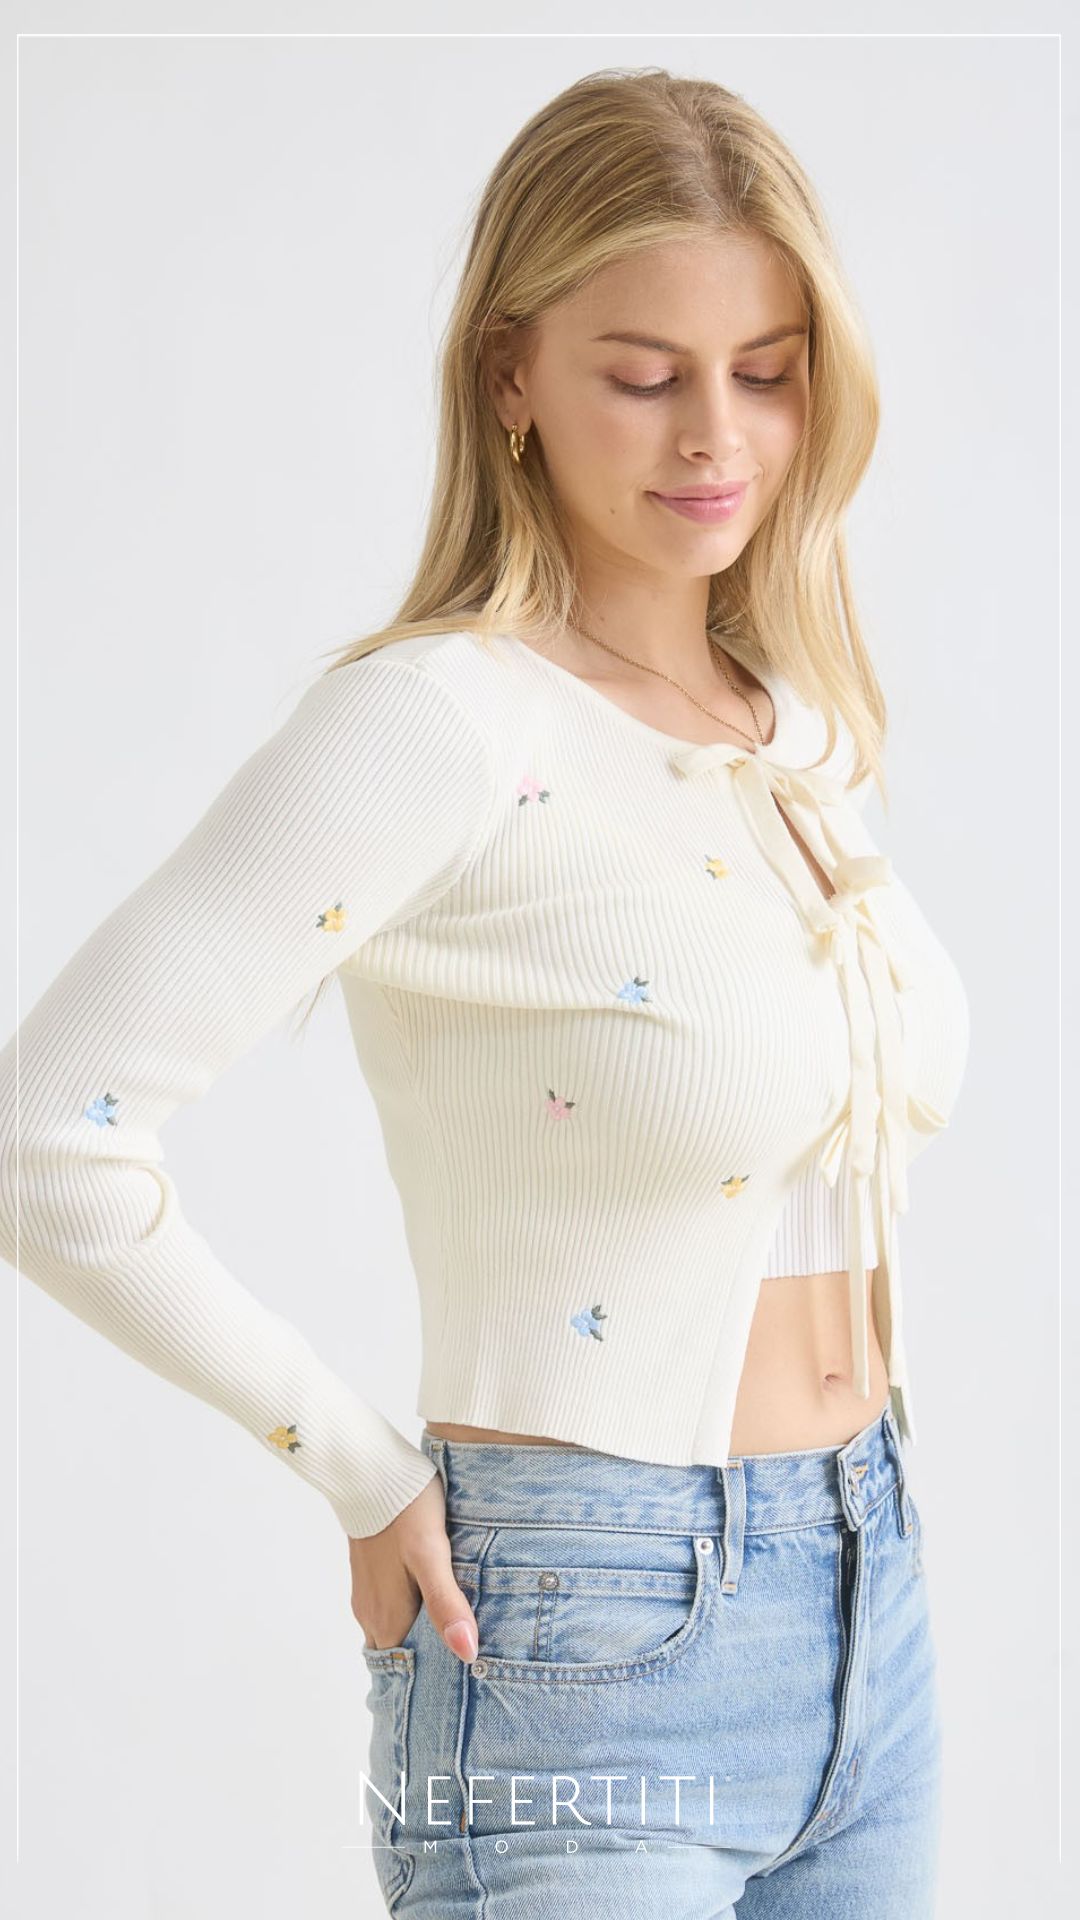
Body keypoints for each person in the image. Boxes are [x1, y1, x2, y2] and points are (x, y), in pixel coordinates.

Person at [0, 67, 970, 1918]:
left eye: (767, 371)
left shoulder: (797, 730)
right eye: (645, 373)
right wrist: (356, 1465)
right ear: (509, 371)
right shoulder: (436, 726)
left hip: (872, 1599)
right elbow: (46, 1131)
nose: (718, 435)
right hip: (579, 1625)